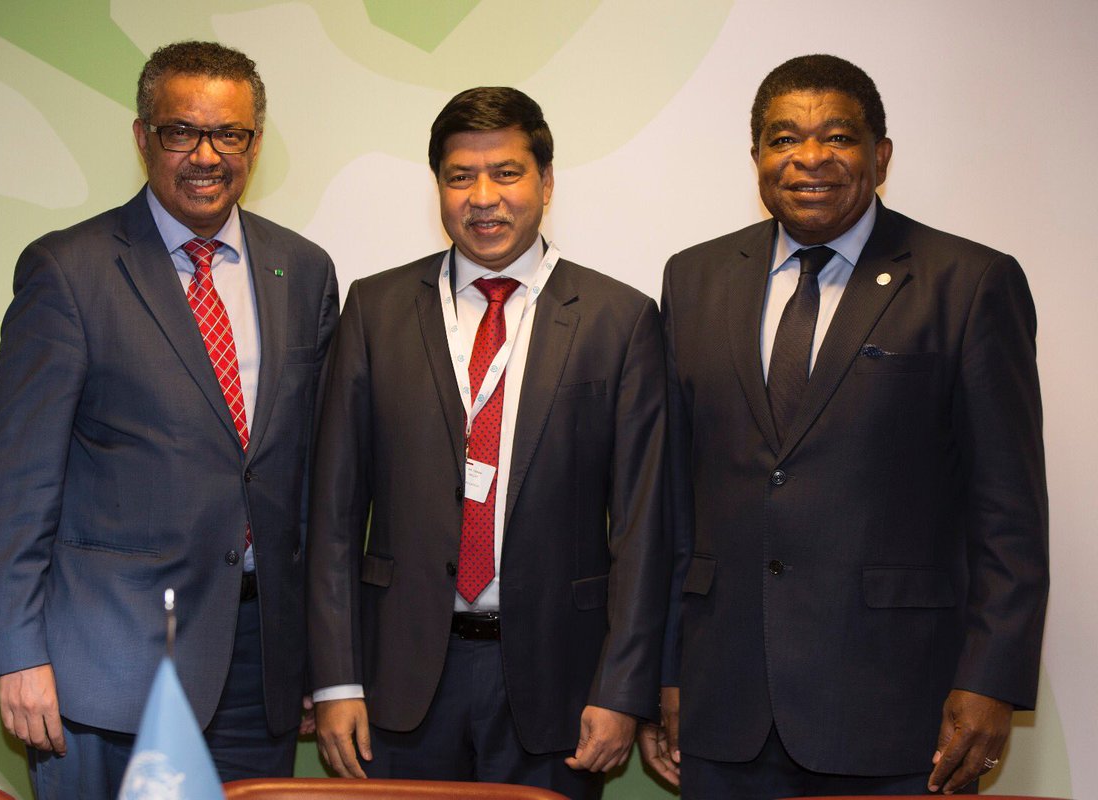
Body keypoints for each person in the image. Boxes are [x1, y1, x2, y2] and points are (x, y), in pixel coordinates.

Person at [640, 54, 1049, 798]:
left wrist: (992, 680)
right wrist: (665, 672)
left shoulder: (969, 283)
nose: (810, 158)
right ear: (757, 158)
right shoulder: (693, 279)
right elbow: (674, 504)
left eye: (837, 136)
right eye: (783, 138)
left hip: (897, 705)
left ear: (880, 156)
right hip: (724, 700)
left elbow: (1009, 512)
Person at [0, 40, 338, 797]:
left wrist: (318, 658)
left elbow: (309, 478)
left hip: (258, 666)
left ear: (255, 144)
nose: (206, 155)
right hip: (103, 671)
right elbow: (18, 483)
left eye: (228, 134)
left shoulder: (303, 270)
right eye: (182, 131)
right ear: (143, 137)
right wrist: (18, 652)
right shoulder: (68, 270)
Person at [306, 86, 667, 800]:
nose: (483, 198)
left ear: (546, 182)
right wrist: (337, 681)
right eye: (459, 176)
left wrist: (622, 688)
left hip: (559, 682)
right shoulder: (375, 309)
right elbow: (334, 514)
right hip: (398, 680)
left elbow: (643, 526)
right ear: (437, 186)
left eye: (506, 173)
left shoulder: (619, 320)